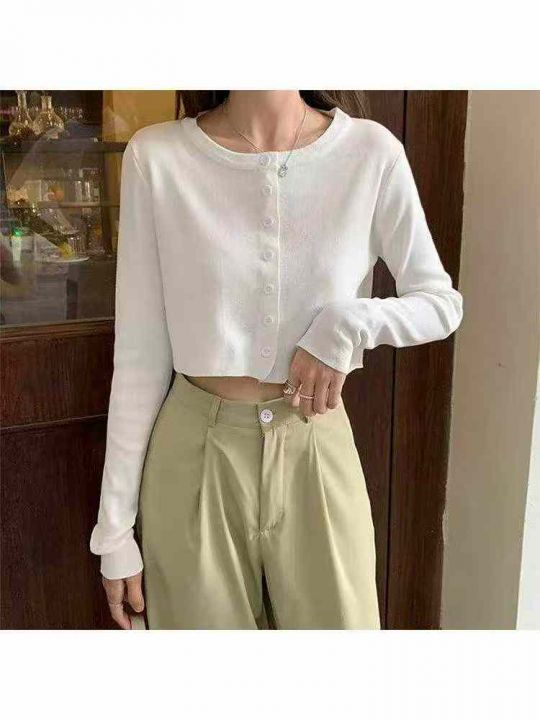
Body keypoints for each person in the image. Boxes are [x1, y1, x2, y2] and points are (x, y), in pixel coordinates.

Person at [89, 90, 463, 629]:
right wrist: (114, 531)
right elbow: (140, 356)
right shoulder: (158, 157)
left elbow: (441, 303)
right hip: (193, 458)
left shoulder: (369, 152)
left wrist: (347, 324)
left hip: (315, 444)